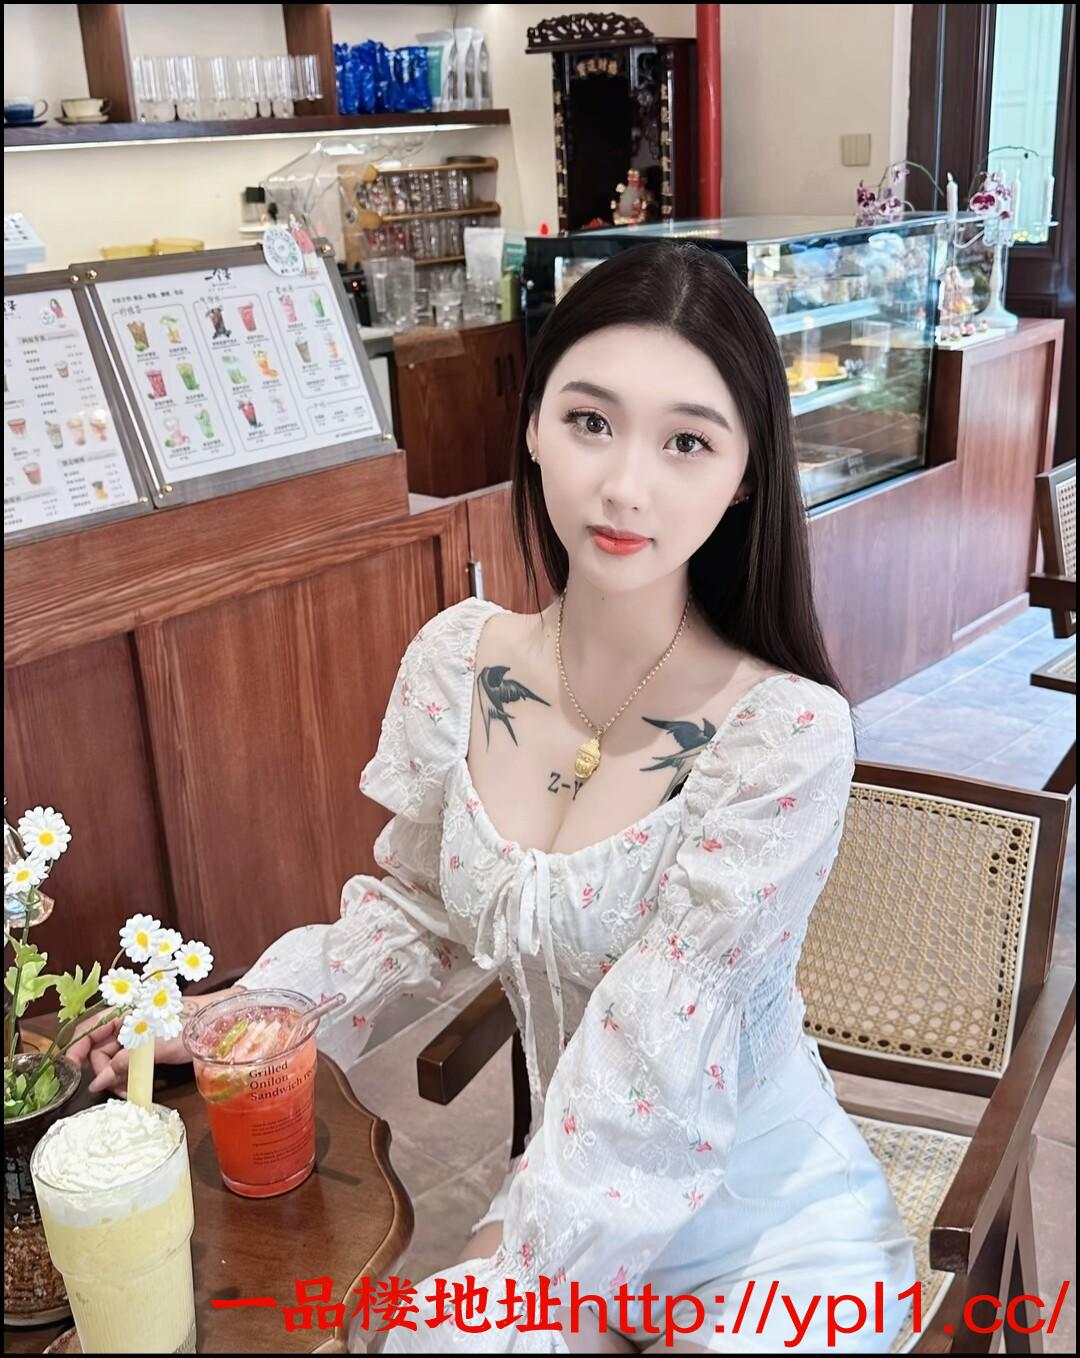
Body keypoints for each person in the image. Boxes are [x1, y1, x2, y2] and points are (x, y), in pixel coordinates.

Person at [71, 242, 917, 1353]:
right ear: (533, 426)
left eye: (687, 441)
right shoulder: (457, 663)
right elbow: (412, 911)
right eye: (591, 420)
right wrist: (236, 1021)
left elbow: (657, 1064)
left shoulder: (783, 734)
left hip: (759, 1232)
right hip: (568, 1174)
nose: (625, 486)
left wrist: (514, 1270)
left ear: (747, 472)